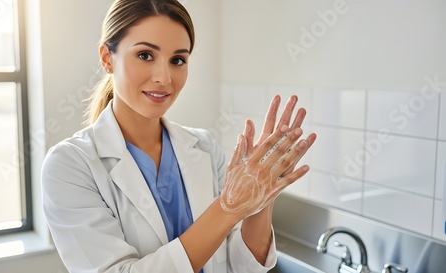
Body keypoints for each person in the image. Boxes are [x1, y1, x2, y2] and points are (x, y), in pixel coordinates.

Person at [41, 0, 317, 272]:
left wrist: (262, 197)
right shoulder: (69, 165)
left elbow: (241, 266)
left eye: (177, 60)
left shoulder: (204, 147)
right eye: (145, 55)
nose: (164, 77)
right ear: (107, 59)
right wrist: (228, 208)